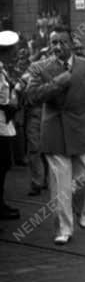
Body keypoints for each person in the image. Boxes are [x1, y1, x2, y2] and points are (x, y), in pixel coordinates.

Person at [25, 28, 85, 244]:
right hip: (54, 132)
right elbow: (31, 97)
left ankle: (80, 207)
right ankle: (63, 229)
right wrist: (58, 83)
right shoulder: (40, 67)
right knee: (60, 184)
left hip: (84, 131)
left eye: (62, 42)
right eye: (53, 42)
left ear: (71, 43)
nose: (57, 47)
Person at [0, 30, 20, 224]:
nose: (16, 52)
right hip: (1, 124)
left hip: (5, 124)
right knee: (2, 165)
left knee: (4, 165)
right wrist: (10, 104)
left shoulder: (2, 68)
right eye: (14, 50)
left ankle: (2, 203)